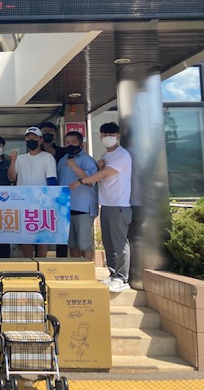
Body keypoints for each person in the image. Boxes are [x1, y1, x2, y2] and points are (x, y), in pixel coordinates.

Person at [69, 122, 132, 293]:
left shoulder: (122, 155)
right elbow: (102, 172)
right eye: (104, 134)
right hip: (106, 204)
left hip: (119, 205)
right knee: (108, 243)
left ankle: (122, 278)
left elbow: (104, 174)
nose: (107, 137)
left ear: (118, 136)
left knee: (120, 243)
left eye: (111, 134)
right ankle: (112, 274)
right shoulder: (105, 155)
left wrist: (81, 181)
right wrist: (99, 166)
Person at [8, 126, 57, 258]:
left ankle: (41, 263)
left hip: (41, 202)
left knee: (42, 237)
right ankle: (28, 262)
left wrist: (50, 202)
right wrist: (13, 161)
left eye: (34, 137)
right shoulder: (20, 158)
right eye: (28, 137)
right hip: (23, 203)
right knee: (25, 237)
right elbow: (12, 178)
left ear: (40, 140)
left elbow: (51, 180)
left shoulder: (47, 157)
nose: (31, 140)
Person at [56, 131, 98, 261]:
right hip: (66, 208)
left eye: (74, 142)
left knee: (84, 244)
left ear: (81, 144)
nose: (70, 145)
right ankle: (77, 269)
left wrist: (74, 166)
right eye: (67, 143)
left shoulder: (87, 160)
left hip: (83, 208)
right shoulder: (63, 160)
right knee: (72, 244)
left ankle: (88, 269)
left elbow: (91, 181)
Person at [39, 122, 69, 258]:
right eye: (44, 131)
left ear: (55, 134)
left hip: (59, 195)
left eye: (50, 131)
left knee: (60, 229)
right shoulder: (34, 152)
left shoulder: (63, 152)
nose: (47, 133)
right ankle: (39, 259)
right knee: (41, 229)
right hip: (39, 196)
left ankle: (61, 259)